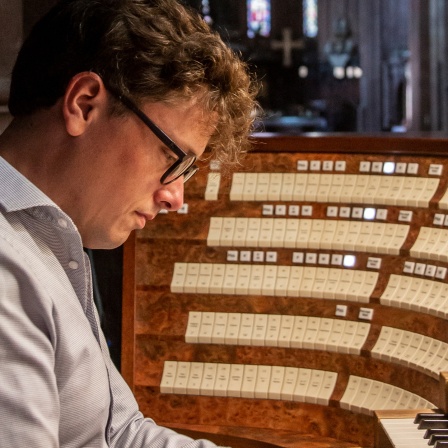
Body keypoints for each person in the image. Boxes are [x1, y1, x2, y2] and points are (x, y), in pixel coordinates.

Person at [0, 0, 258, 447]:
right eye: (172, 158)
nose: (175, 198)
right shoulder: (7, 269)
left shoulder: (55, 238)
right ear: (84, 104)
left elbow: (120, 432)